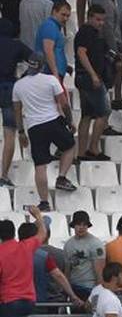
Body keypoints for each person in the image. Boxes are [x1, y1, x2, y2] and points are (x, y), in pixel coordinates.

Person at [12, 57, 77, 210]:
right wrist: (69, 121)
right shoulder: (50, 80)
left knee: (40, 165)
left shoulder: (18, 85)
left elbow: (17, 111)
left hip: (34, 127)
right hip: (53, 121)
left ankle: (44, 202)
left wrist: (21, 132)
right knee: (70, 146)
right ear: (42, 67)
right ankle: (61, 177)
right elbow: (64, 104)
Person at [0, 206, 51, 317]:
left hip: (10, 302)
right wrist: (38, 215)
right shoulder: (25, 246)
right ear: (14, 232)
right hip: (29, 301)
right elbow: (42, 234)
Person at [73, 4, 113, 162]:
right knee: (104, 113)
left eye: (103, 20)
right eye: (98, 19)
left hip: (84, 77)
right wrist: (93, 75)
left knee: (87, 115)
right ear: (89, 17)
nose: (101, 23)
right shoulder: (86, 32)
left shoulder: (92, 33)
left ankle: (82, 152)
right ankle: (93, 148)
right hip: (89, 78)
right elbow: (81, 53)